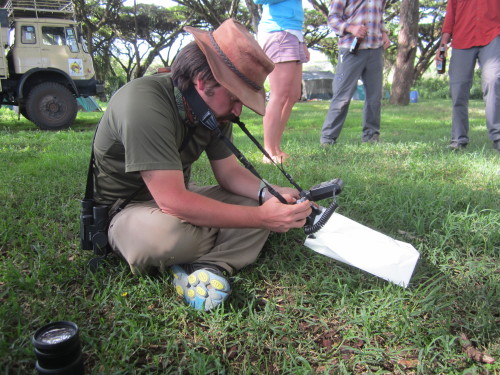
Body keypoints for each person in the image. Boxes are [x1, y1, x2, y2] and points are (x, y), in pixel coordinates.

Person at [91, 19, 312, 311]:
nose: (237, 110)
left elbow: (230, 173)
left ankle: (207, 268)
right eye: (235, 98)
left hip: (177, 198)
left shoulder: (211, 110)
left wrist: (270, 196)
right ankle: (208, 248)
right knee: (164, 239)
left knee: (256, 205)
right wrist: (261, 219)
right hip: (125, 209)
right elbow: (173, 201)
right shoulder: (143, 103)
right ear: (201, 82)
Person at [320, 0, 390, 146]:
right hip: (351, 49)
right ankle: (328, 139)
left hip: (375, 48)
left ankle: (371, 137)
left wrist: (384, 33)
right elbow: (333, 18)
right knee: (342, 97)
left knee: (374, 97)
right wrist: (351, 28)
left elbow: (380, 15)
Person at [436, 0, 500, 151]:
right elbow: (451, 13)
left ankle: (497, 136)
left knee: (493, 80)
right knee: (458, 89)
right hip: (462, 38)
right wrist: (443, 42)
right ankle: (459, 139)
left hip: (492, 34)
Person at [254, 0, 310, 163]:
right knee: (279, 94)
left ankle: (276, 148)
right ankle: (268, 151)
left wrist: (302, 42)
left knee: (293, 95)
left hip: (294, 34)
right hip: (279, 33)